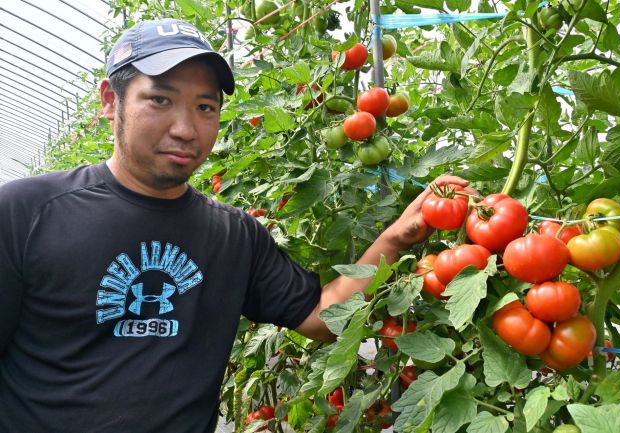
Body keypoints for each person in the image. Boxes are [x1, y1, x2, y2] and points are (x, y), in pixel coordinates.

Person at [0, 18, 471, 433]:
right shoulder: (25, 213)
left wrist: (396, 235)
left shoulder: (232, 234)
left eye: (205, 108)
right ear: (110, 100)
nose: (186, 128)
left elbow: (325, 316)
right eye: (160, 100)